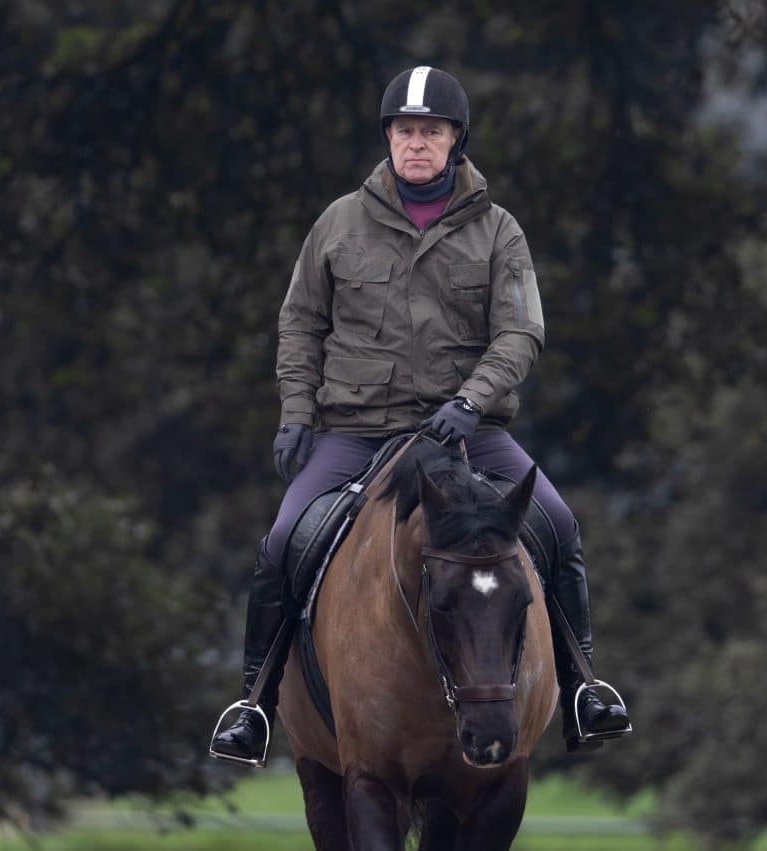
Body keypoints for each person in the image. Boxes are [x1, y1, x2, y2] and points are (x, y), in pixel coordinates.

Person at [211, 66, 630, 763]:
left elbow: (520, 332)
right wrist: (295, 412)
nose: (415, 143)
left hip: (470, 431)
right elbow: (300, 324)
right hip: (354, 428)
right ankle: (252, 704)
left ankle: (587, 690)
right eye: (404, 130)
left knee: (558, 524)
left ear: (455, 139)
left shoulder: (500, 232)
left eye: (430, 132)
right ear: (388, 137)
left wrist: (471, 401)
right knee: (282, 540)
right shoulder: (337, 222)